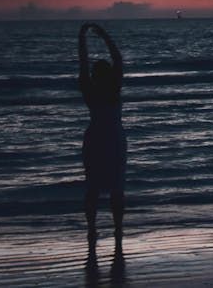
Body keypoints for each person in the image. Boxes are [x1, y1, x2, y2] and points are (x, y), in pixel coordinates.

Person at [78, 23, 127, 255]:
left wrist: (82, 38)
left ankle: (93, 229)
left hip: (97, 138)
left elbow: (83, 63)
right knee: (115, 187)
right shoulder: (113, 88)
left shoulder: (91, 89)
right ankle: (117, 230)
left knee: (94, 187)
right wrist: (105, 35)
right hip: (112, 139)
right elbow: (118, 59)